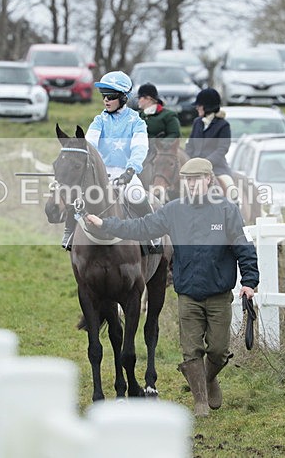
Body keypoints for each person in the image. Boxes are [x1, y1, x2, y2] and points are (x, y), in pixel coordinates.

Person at [84, 157, 258, 417]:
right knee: (191, 350)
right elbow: (141, 227)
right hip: (187, 293)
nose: (191, 185)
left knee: (219, 351)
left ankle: (208, 379)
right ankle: (200, 402)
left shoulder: (226, 210)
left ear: (208, 180)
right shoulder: (174, 210)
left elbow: (242, 246)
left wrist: (249, 282)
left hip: (219, 293)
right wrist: (106, 224)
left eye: (196, 179)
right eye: (187, 180)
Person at [60, 70, 155, 250]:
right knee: (77, 195)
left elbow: (140, 147)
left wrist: (131, 170)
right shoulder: (99, 121)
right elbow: (90, 144)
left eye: (111, 96)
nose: (106, 100)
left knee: (137, 195)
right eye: (104, 96)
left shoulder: (137, 122)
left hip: (126, 172)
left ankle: (151, 233)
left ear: (123, 98)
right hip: (100, 172)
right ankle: (69, 231)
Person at [184, 88, 239, 202]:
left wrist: (204, 164)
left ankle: (235, 212)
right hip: (193, 168)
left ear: (208, 107)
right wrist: (189, 161)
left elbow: (222, 149)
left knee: (231, 189)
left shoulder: (223, 125)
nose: (197, 108)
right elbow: (190, 144)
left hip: (217, 168)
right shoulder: (197, 122)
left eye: (199, 105)